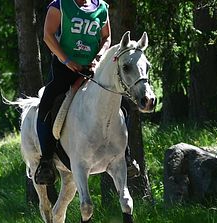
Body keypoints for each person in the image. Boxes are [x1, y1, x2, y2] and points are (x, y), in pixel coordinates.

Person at [35, 0, 139, 185]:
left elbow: (106, 37)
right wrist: (67, 60)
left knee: (122, 105)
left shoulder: (101, 7)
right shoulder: (59, 6)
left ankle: (126, 155)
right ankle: (46, 162)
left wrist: (99, 58)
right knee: (47, 105)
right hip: (65, 68)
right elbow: (48, 36)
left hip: (94, 69)